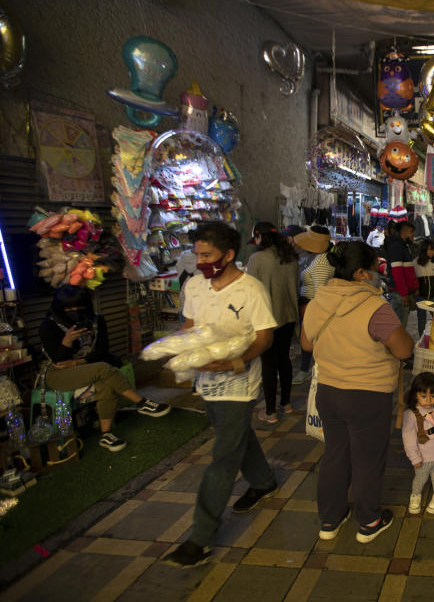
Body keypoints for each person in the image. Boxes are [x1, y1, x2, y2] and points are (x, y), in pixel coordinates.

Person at [164, 222, 278, 568]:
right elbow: (188, 325)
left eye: (207, 255)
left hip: (238, 382)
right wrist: (176, 351)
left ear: (229, 255)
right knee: (236, 435)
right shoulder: (196, 286)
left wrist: (234, 362)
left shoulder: (251, 290)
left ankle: (199, 539)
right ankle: (263, 481)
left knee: (223, 457)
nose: (200, 261)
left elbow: (264, 338)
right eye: (197, 254)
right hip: (206, 379)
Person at [302, 241, 414, 544]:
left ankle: (330, 519)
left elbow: (307, 344)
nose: (380, 275)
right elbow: (403, 348)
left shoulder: (316, 302)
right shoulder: (375, 307)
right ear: (361, 273)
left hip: (328, 392)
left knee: (335, 454)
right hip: (367, 395)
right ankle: (369, 521)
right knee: (367, 460)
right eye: (376, 270)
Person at [40, 286, 170, 452]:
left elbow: (102, 351)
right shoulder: (49, 326)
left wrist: (78, 362)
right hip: (58, 374)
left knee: (106, 386)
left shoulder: (96, 321)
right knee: (103, 368)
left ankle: (106, 434)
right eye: (69, 309)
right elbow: (58, 361)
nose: (74, 312)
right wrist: (66, 342)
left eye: (79, 307)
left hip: (87, 367)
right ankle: (141, 402)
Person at [247, 221, 300, 423]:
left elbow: (250, 291)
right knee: (284, 360)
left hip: (266, 319)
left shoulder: (257, 259)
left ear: (260, 237)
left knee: (268, 364)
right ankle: (286, 404)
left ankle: (270, 412)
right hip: (288, 316)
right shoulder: (290, 257)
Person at [401, 372, 434, 515]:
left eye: (433, 396)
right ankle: (416, 495)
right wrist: (415, 458)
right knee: (420, 479)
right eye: (424, 396)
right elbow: (408, 438)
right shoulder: (411, 414)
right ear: (415, 395)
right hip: (423, 458)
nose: (429, 400)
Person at [293, 226, 334, 384]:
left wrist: (313, 310)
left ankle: (310, 371)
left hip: (313, 306)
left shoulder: (322, 261)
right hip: (309, 305)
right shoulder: (317, 258)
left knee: (310, 341)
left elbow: (320, 290)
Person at [385, 220, 418, 328]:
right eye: (411, 232)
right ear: (403, 233)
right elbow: (397, 273)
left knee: (401, 326)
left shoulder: (403, 246)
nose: (414, 235)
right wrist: (404, 294)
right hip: (399, 294)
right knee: (399, 328)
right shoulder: (396, 246)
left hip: (403, 293)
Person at [414, 239, 434, 339]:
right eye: (430, 249)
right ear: (424, 249)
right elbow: (413, 279)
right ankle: (421, 339)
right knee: (421, 320)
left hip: (433, 297)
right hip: (420, 297)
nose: (432, 252)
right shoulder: (416, 262)